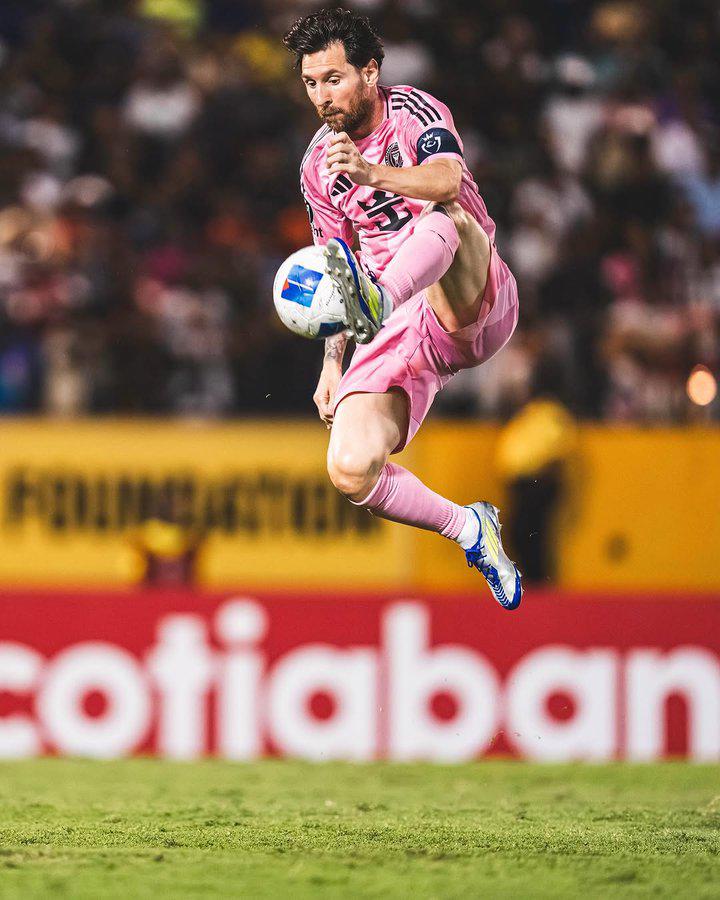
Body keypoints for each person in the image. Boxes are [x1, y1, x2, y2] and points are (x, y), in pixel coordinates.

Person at [283, 8, 523, 610]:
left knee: (449, 216)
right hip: (392, 323)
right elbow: (334, 263)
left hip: (470, 297)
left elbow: (446, 181)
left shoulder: (414, 112)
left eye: (334, 79)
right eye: (311, 83)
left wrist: (371, 172)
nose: (322, 96)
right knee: (349, 466)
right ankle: (470, 528)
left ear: (370, 71)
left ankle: (383, 296)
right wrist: (331, 363)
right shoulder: (317, 165)